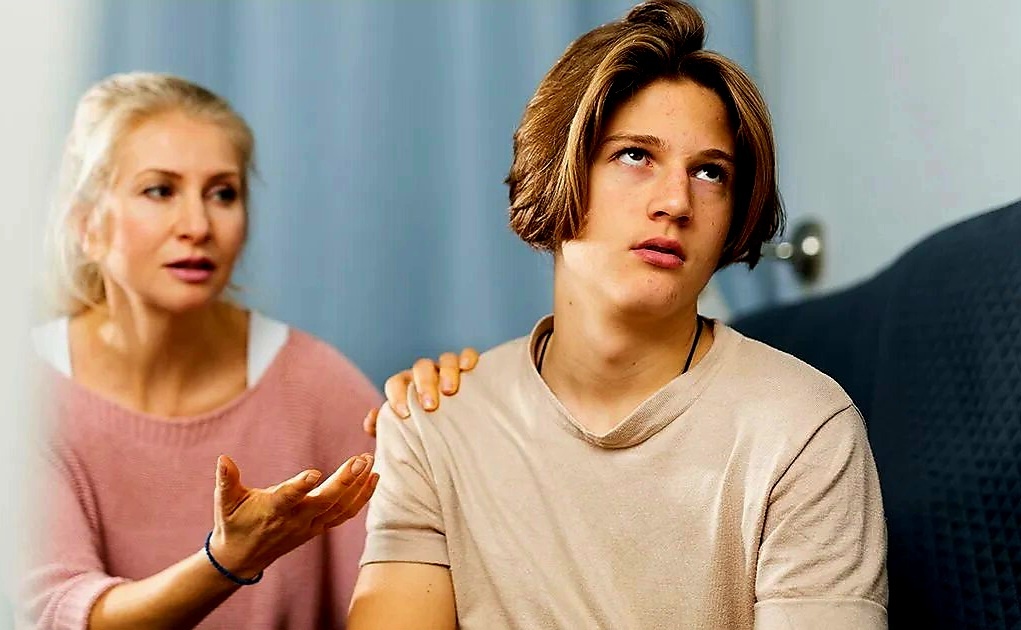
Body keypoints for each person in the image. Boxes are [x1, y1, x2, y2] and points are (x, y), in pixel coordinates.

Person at [348, 1, 888, 628]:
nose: (676, 202)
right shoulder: (435, 423)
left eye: (709, 172)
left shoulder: (805, 429)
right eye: (635, 155)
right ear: (556, 172)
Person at [21, 72, 475, 630]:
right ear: (86, 225)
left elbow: (411, 586)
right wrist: (229, 561)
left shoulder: (315, 384)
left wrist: (452, 424)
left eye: (223, 193)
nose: (197, 225)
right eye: (159, 190)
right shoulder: (23, 397)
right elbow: (60, 615)